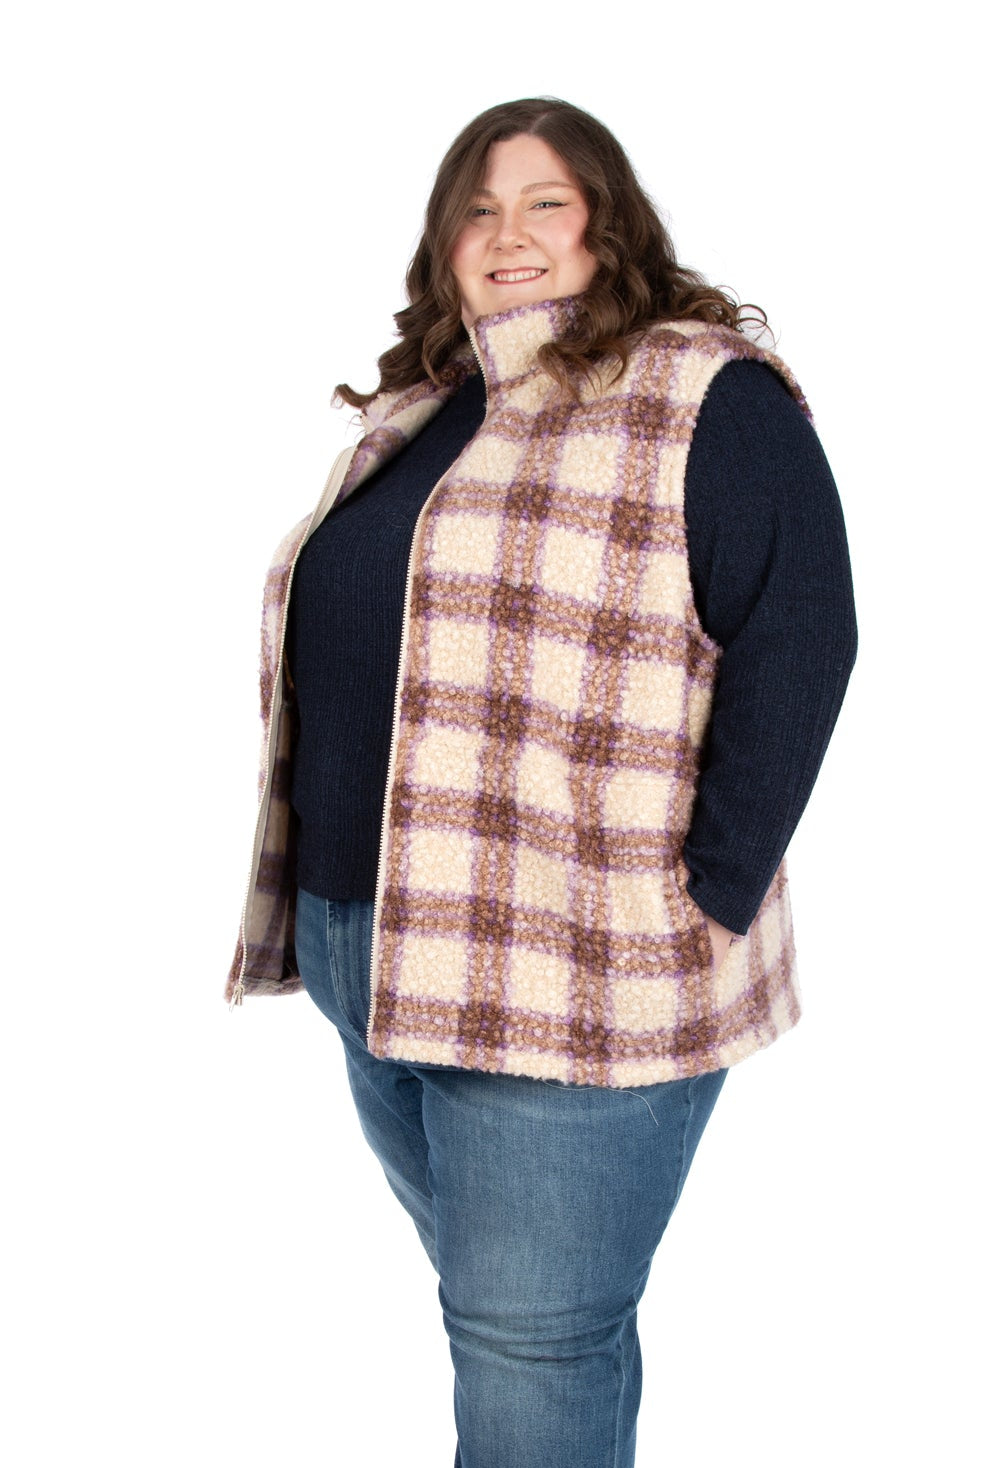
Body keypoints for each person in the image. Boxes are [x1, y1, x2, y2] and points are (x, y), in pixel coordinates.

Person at [226, 97, 857, 1467]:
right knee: (532, 1328)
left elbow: (802, 635)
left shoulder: (700, 392)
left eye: (547, 201)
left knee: (530, 1341)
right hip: (372, 950)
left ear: (608, 221)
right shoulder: (426, 414)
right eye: (479, 206)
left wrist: (710, 888)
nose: (509, 233)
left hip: (580, 965)